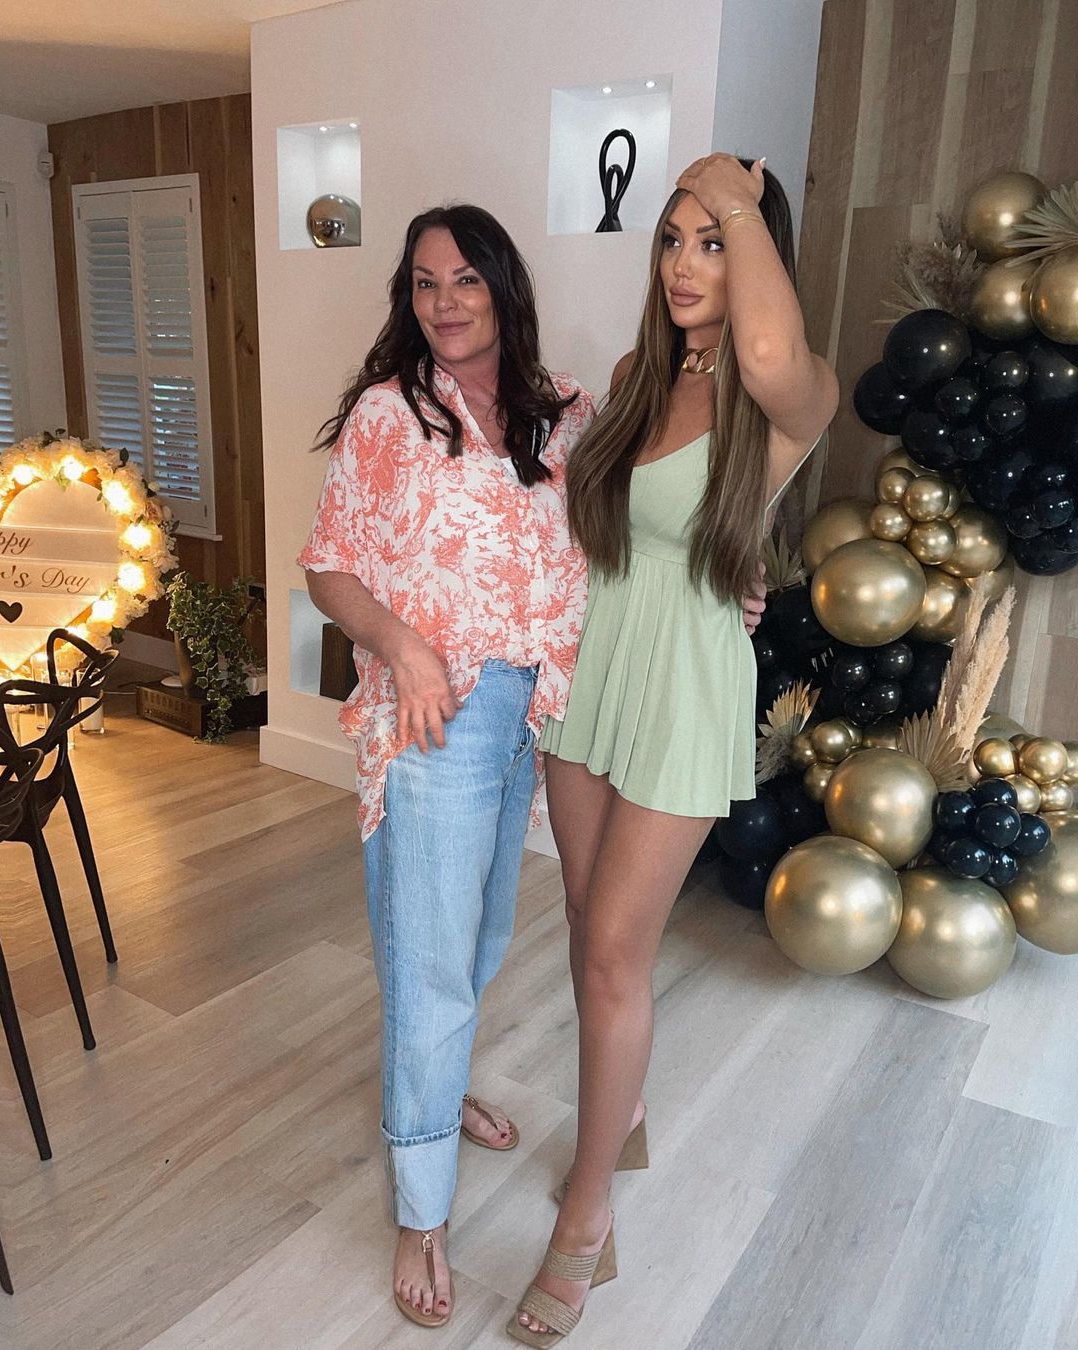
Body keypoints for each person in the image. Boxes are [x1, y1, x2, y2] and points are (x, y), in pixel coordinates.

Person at [511, 155, 839, 1344]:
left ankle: (587, 1219)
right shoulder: (634, 378)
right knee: (581, 918)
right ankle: (626, 1111)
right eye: (673, 239)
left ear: (758, 253)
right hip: (591, 667)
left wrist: (733, 193)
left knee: (614, 955)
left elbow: (767, 349)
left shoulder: (791, 394)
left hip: (685, 686)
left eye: (716, 241)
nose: (686, 265)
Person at [299, 204, 595, 1328]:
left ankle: (438, 1089)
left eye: (465, 278)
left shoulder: (562, 411)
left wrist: (736, 585)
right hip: (435, 713)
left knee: (476, 939)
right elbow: (330, 568)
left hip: (534, 711)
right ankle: (421, 1206)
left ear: (503, 288)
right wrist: (404, 645)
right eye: (425, 283)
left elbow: (618, 538)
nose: (445, 301)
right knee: (429, 960)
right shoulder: (391, 412)